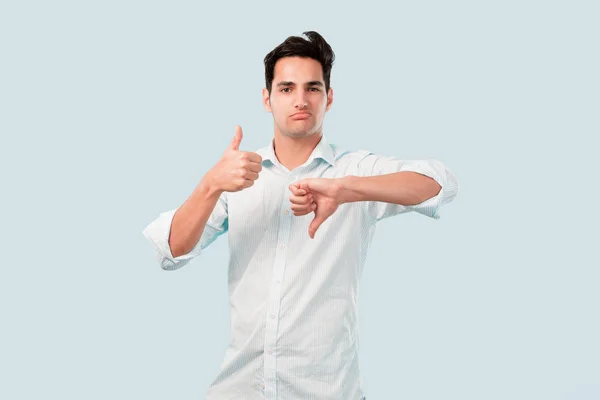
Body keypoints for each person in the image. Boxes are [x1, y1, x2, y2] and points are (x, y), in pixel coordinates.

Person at [142, 30, 458, 400]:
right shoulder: (239, 174)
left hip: (326, 390)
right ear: (267, 98)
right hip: (239, 390)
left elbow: (440, 185)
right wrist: (210, 185)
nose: (301, 100)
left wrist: (346, 189)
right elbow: (171, 253)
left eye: (313, 88)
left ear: (330, 97)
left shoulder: (354, 169)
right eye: (287, 88)